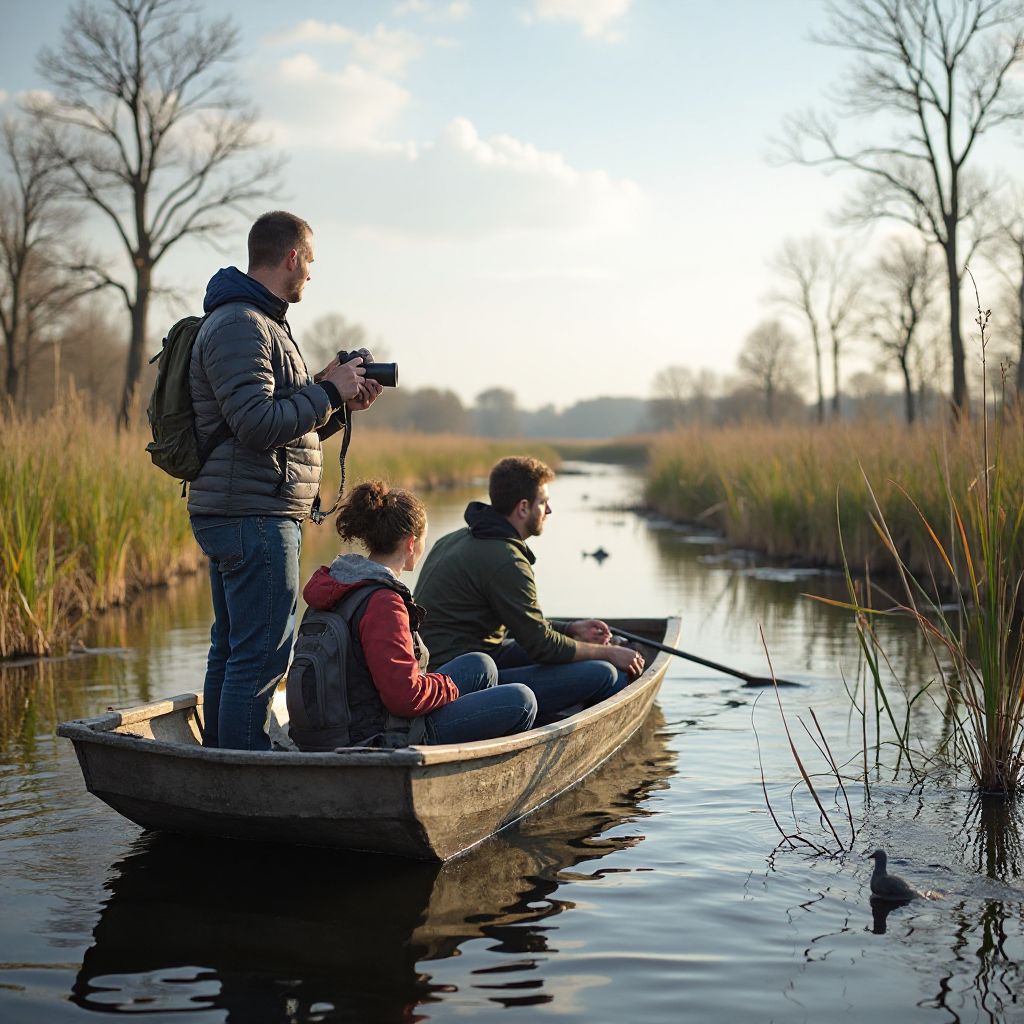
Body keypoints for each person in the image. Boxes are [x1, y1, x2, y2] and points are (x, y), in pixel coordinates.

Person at [188, 210, 382, 750]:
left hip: (247, 509)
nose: (311, 277)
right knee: (259, 654)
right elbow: (255, 426)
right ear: (292, 257)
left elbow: (282, 427)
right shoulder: (240, 325)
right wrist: (326, 391)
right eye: (310, 263)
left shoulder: (260, 323)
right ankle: (243, 775)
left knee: (233, 649)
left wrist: (337, 401)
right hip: (252, 515)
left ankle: (222, 768)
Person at [293, 481, 537, 747]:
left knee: (481, 664)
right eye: (423, 539)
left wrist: (437, 684)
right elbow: (405, 698)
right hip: (375, 735)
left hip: (342, 720)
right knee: (523, 701)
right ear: (411, 543)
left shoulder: (342, 582)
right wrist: (448, 687)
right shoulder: (383, 602)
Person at [414, 456, 644, 723]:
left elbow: (522, 625)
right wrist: (609, 652)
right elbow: (542, 646)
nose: (549, 511)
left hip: (467, 658)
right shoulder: (506, 560)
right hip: (459, 678)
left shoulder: (457, 538)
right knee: (604, 672)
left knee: (585, 656)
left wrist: (570, 629)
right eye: (543, 502)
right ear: (523, 508)